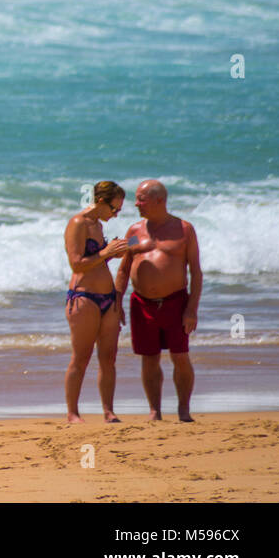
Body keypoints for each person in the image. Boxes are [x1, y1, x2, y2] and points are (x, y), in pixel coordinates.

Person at [115, 179, 202, 422]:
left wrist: (191, 309)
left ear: (159, 200)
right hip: (141, 303)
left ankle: (184, 410)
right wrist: (117, 301)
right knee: (149, 357)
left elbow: (196, 272)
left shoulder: (184, 230)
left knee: (180, 356)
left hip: (176, 302)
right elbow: (124, 268)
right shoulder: (134, 232)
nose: (136, 203)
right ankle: (155, 411)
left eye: (141, 199)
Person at [63, 181, 131, 423]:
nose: (116, 214)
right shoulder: (78, 223)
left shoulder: (98, 225)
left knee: (108, 358)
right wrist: (107, 252)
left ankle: (108, 411)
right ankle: (73, 413)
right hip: (84, 298)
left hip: (107, 298)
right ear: (101, 202)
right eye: (114, 209)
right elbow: (77, 263)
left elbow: (97, 261)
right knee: (81, 357)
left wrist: (114, 252)